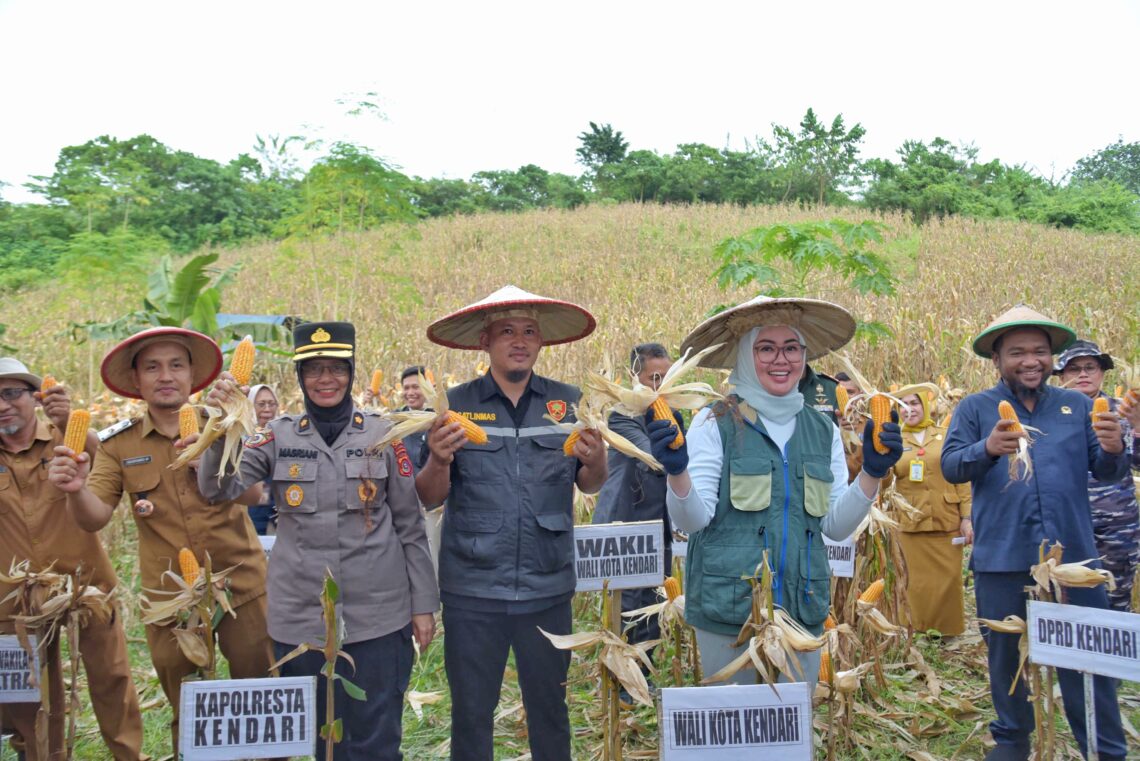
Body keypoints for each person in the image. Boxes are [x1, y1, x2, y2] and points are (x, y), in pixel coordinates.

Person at [199, 322, 439, 761]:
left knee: (377, 737)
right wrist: (218, 426)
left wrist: (423, 604)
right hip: (301, 622)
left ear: (350, 372)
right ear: (300, 377)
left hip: (378, 618)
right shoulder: (278, 436)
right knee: (321, 741)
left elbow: (409, 523)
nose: (325, 379)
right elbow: (220, 489)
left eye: (336, 368)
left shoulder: (384, 434)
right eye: (313, 370)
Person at [651, 295, 902, 685]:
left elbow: (835, 527)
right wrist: (677, 472)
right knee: (734, 730)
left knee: (789, 732)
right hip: (728, 613)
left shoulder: (822, 430)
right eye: (765, 348)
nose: (780, 360)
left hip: (801, 611)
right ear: (744, 357)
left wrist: (872, 473)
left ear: (804, 357)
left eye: (791, 348)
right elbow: (692, 519)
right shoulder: (713, 422)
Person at [47, 327, 273, 756]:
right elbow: (95, 517)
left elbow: (252, 495)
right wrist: (75, 489)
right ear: (136, 380)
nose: (165, 376)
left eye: (176, 365)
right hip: (170, 599)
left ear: (193, 377)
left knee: (257, 702)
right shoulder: (119, 444)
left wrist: (210, 456)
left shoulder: (222, 424)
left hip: (241, 585)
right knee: (187, 709)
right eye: (152, 367)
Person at [416, 285, 607, 761]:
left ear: (540, 342)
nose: (518, 341)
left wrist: (598, 458)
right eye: (506, 332)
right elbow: (429, 495)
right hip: (472, 589)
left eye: (527, 332)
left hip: (547, 587)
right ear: (486, 342)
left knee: (550, 710)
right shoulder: (454, 405)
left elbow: (589, 483)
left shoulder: (568, 403)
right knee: (472, 714)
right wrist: (438, 460)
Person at [942, 305, 1129, 761]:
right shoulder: (975, 409)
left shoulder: (1078, 406)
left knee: (1088, 665)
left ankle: (1104, 750)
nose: (1031, 361)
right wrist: (986, 448)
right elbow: (950, 465)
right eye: (1017, 352)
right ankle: (1012, 742)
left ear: (1052, 358)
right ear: (997, 359)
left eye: (1040, 352)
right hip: (1003, 558)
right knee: (1007, 661)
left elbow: (1106, 470)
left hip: (1073, 564)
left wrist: (1114, 447)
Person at [0, 359, 143, 761]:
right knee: (32, 695)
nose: (3, 405)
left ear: (36, 398)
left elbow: (112, 465)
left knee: (111, 679)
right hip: (15, 596)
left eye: (12, 393)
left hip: (86, 583)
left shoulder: (74, 439)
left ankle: (129, 754)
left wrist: (72, 421)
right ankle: (44, 755)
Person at [593, 343, 673, 653]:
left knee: (655, 602)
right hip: (625, 526)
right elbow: (654, 456)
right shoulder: (620, 418)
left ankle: (645, 678)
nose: (662, 386)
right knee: (626, 608)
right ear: (634, 377)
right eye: (655, 378)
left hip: (659, 526)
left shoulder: (674, 413)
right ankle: (623, 684)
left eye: (668, 377)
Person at [1055, 339, 1140, 612]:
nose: (1083, 374)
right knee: (1066, 601)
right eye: (1074, 369)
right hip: (1066, 525)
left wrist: (1137, 427)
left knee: (1115, 601)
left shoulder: (1124, 411)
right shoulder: (1048, 417)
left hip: (1116, 527)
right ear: (1060, 376)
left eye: (1090, 367)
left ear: (1102, 372)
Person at [890, 382, 972, 635]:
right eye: (902, 405)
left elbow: (962, 479)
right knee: (913, 582)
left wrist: (967, 517)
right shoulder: (894, 440)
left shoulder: (945, 435)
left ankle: (948, 631)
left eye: (914, 403)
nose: (908, 410)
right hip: (909, 521)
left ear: (925, 405)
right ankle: (915, 630)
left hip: (945, 519)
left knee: (948, 580)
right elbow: (884, 483)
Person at [247, 383, 280, 535]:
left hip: (279, 513)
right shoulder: (240, 437)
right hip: (250, 514)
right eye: (261, 404)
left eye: (271, 404)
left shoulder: (285, 436)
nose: (267, 409)